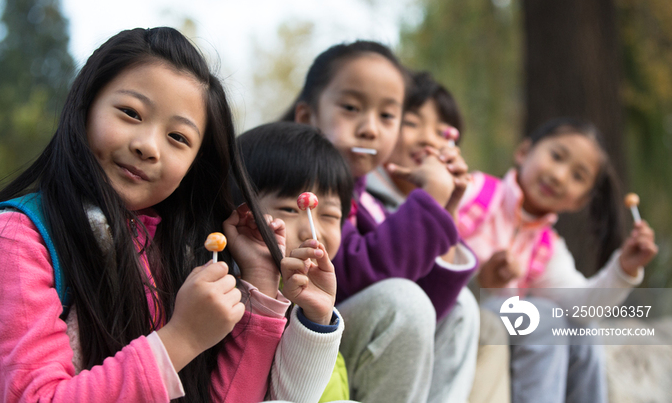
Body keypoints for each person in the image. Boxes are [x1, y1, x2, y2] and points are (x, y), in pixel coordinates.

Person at [0, 27, 340, 403]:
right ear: (85, 106)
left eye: (178, 138)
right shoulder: (14, 238)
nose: (148, 146)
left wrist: (261, 279)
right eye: (131, 113)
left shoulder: (180, 254)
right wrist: (180, 339)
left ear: (194, 167)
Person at [282, 40, 478, 402]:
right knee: (403, 300)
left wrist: (445, 204)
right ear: (307, 116)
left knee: (463, 307)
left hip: (345, 333)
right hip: (302, 341)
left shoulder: (364, 197)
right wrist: (430, 197)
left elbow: (431, 305)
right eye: (352, 108)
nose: (371, 128)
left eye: (387, 116)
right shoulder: (295, 183)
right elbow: (354, 276)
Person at [458, 116, 659, 403]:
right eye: (556, 156)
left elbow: (583, 307)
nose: (560, 175)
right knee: (542, 317)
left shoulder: (547, 249)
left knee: (583, 333)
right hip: (459, 308)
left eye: (578, 176)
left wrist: (624, 268)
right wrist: (480, 281)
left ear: (579, 202)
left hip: (507, 331)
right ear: (524, 152)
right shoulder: (473, 191)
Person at [366, 70, 511, 403]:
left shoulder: (426, 201)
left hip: (413, 325)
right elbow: (396, 286)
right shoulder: (364, 195)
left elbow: (440, 294)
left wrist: (450, 204)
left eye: (442, 131)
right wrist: (433, 197)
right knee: (464, 306)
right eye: (412, 123)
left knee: (487, 325)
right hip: (371, 329)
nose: (428, 140)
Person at [236, 122, 355, 402]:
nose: (311, 230)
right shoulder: (234, 295)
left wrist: (318, 319)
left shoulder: (319, 296)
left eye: (329, 215)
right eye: (290, 209)